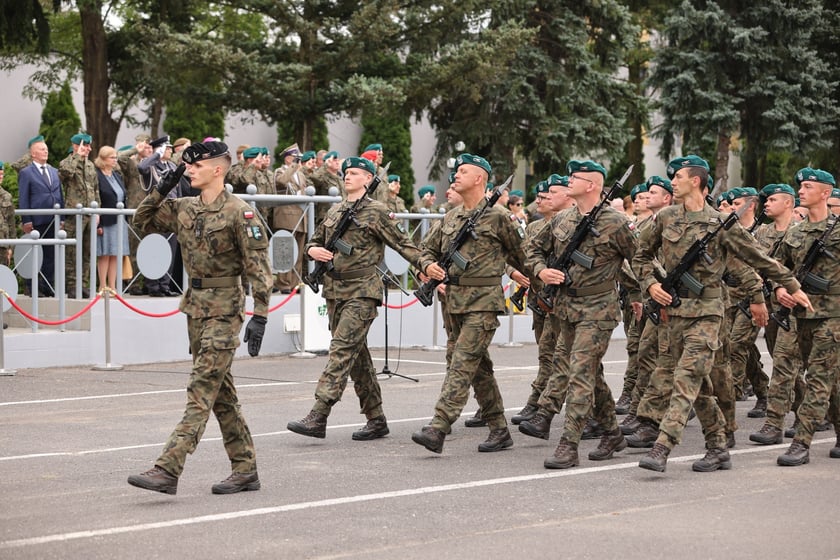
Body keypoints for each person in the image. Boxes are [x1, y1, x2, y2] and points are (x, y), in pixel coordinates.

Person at [632, 154, 811, 473]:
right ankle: (717, 445)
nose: (672, 181)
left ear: (696, 182)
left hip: (709, 313)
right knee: (697, 384)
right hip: (675, 311)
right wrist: (649, 285)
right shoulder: (666, 218)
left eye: (679, 177)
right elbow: (641, 256)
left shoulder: (720, 225)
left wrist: (792, 285)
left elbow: (758, 259)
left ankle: (662, 445)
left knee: (686, 377)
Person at [128, 140, 272, 495]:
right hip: (195, 306)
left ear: (218, 169)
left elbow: (259, 269)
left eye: (195, 166)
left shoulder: (241, 212)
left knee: (201, 387)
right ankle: (245, 469)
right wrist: (162, 187)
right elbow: (141, 220)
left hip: (225, 309)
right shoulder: (185, 208)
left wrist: (261, 315)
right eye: (186, 166)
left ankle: (168, 467)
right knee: (221, 394)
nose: (189, 170)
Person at [286, 156, 426, 441]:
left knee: (340, 350)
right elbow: (314, 242)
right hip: (336, 291)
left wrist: (426, 267)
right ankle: (376, 419)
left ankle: (319, 414)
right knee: (357, 357)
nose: (347, 176)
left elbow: (403, 244)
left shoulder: (377, 212)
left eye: (355, 173)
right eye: (346, 172)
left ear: (368, 179)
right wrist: (313, 252)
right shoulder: (337, 210)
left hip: (363, 290)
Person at [524, 160, 637, 469]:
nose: (568, 180)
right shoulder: (561, 220)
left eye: (575, 178)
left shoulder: (616, 222)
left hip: (598, 309)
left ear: (592, 185)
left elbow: (639, 259)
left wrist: (644, 293)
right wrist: (542, 271)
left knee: (580, 374)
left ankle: (568, 444)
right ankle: (612, 433)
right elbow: (531, 250)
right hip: (565, 308)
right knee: (590, 373)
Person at [411, 153, 525, 454]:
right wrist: (428, 267)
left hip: (484, 303)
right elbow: (424, 251)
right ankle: (500, 430)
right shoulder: (451, 217)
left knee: (461, 365)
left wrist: (534, 283)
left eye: (463, 171)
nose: (456, 175)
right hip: (453, 303)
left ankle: (439, 427)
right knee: (477, 368)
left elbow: (523, 256)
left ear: (480, 179)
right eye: (456, 170)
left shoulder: (499, 217)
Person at [770, 168, 840, 466]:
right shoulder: (795, 232)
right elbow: (776, 266)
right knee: (832, 381)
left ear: (825, 193)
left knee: (818, 380)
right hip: (801, 317)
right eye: (800, 186)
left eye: (808, 186)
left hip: (833, 317)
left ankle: (802, 442)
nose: (801, 190)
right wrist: (778, 290)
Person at [18, 135, 63, 296]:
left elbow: (60, 195)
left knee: (50, 254)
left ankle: (48, 285)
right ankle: (32, 287)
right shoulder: (26, 173)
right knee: (34, 254)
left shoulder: (54, 171)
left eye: (46, 149)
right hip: (36, 220)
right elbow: (23, 197)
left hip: (53, 219)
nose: (45, 152)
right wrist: (26, 219)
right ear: (33, 154)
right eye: (41, 149)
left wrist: (62, 217)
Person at [59, 132, 100, 298]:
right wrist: (77, 156)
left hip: (90, 213)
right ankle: (72, 285)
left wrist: (98, 212)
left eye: (89, 146)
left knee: (88, 251)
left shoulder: (90, 165)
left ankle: (83, 284)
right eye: (85, 145)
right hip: (75, 215)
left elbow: (96, 189)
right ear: (76, 146)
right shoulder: (67, 162)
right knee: (72, 252)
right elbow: (65, 174)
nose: (88, 149)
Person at [273, 143, 309, 293]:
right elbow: (281, 182)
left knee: (299, 252)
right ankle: (284, 283)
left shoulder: (300, 174)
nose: (298, 161)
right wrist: (293, 167)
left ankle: (295, 282)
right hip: (286, 216)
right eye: (295, 158)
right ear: (288, 159)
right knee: (285, 250)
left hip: (301, 216)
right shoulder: (280, 171)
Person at [93, 146, 130, 291]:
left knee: (116, 253)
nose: (115, 160)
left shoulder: (116, 175)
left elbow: (122, 195)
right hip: (106, 221)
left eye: (115, 157)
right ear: (103, 159)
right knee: (105, 253)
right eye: (112, 157)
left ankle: (113, 287)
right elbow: (98, 198)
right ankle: (102, 286)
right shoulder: (97, 176)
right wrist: (99, 224)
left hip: (120, 221)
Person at [0, 162, 14, 267]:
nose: (1, 177)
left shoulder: (6, 196)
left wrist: (11, 248)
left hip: (3, 246)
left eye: (2, 174)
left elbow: (11, 224)